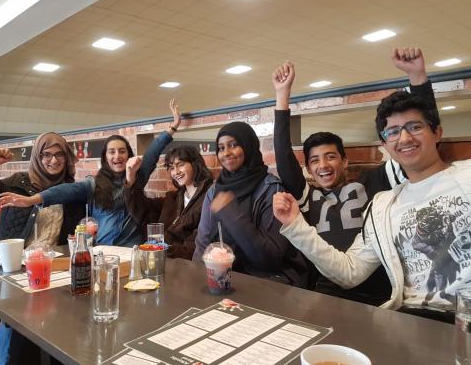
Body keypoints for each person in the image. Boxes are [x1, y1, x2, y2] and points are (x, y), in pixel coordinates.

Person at [273, 50, 471, 323]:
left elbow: (420, 139)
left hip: (392, 300)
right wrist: (294, 222)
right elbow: (348, 272)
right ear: (384, 144)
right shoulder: (381, 206)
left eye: (414, 127)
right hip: (401, 316)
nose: (404, 138)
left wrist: (417, 78)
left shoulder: (378, 182)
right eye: (392, 133)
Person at [0, 132, 84, 365]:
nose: (53, 161)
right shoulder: (18, 182)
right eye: (46, 154)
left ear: (67, 159)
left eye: (59, 155)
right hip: (17, 271)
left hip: (58, 272)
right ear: (37, 156)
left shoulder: (72, 191)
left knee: (65, 337)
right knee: (18, 341)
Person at [0, 101, 182, 247]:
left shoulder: (138, 176)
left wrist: (173, 127)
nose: (117, 156)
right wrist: (31, 200)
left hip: (131, 249)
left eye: (122, 151)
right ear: (105, 157)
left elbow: (153, 151)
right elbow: (64, 191)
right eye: (112, 152)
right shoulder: (94, 184)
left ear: (129, 155)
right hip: (101, 249)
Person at [193, 121, 309, 287]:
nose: (226, 153)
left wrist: (232, 215)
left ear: (249, 146)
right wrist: (197, 278)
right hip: (228, 278)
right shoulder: (215, 190)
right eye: (221, 148)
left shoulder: (271, 189)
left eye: (234, 145)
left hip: (272, 281)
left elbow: (269, 259)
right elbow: (203, 243)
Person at [124, 145, 213, 259]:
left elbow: (196, 246)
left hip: (188, 267)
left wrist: (160, 249)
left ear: (195, 164)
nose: (175, 172)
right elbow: (142, 210)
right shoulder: (173, 198)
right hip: (162, 260)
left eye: (180, 165)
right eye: (171, 168)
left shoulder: (209, 198)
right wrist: (130, 178)